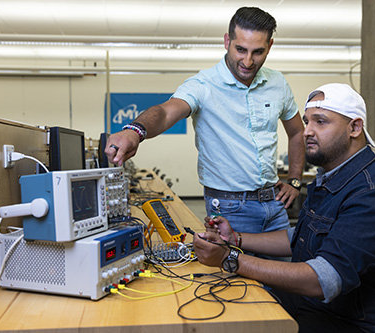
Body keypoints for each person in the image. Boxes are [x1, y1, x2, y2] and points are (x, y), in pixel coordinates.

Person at [192, 83, 375, 332]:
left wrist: (229, 258)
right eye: (307, 122)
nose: (306, 132)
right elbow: (300, 235)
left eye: (320, 122)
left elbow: (322, 280)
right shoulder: (331, 178)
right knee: (229, 308)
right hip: (324, 309)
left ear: (354, 127)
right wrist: (236, 238)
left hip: (363, 325)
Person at [106, 7, 305, 236]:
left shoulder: (277, 83)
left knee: (284, 269)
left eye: (258, 52)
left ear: (269, 46)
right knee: (234, 272)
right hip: (230, 208)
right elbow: (165, 112)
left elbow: (297, 132)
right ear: (227, 41)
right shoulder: (202, 85)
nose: (248, 61)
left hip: (275, 206)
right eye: (240, 49)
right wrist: (135, 130)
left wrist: (295, 181)